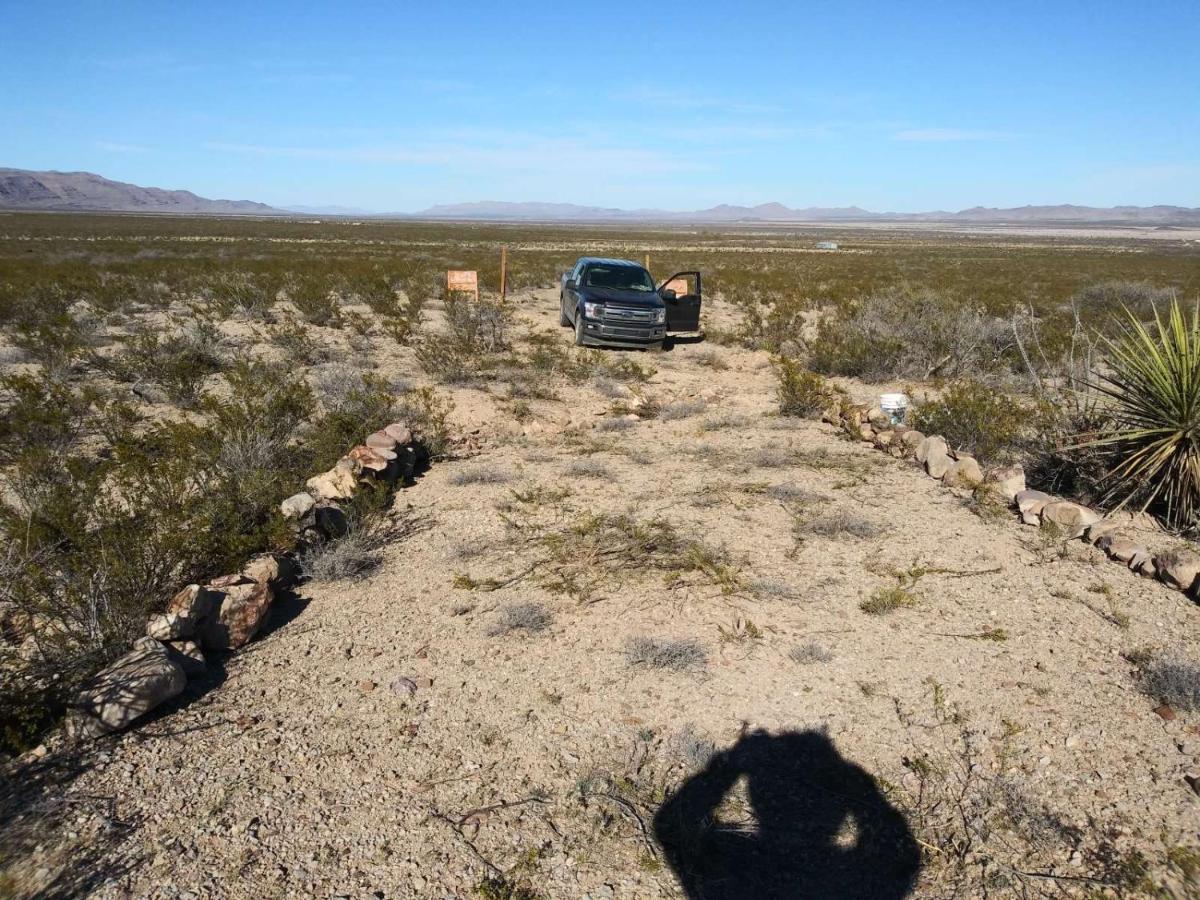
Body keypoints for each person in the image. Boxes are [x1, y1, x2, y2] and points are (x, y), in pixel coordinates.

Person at [653, 729, 921, 899]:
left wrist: (726, 768)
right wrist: (862, 788)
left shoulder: (726, 873)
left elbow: (667, 826)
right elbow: (902, 853)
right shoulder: (859, 877)